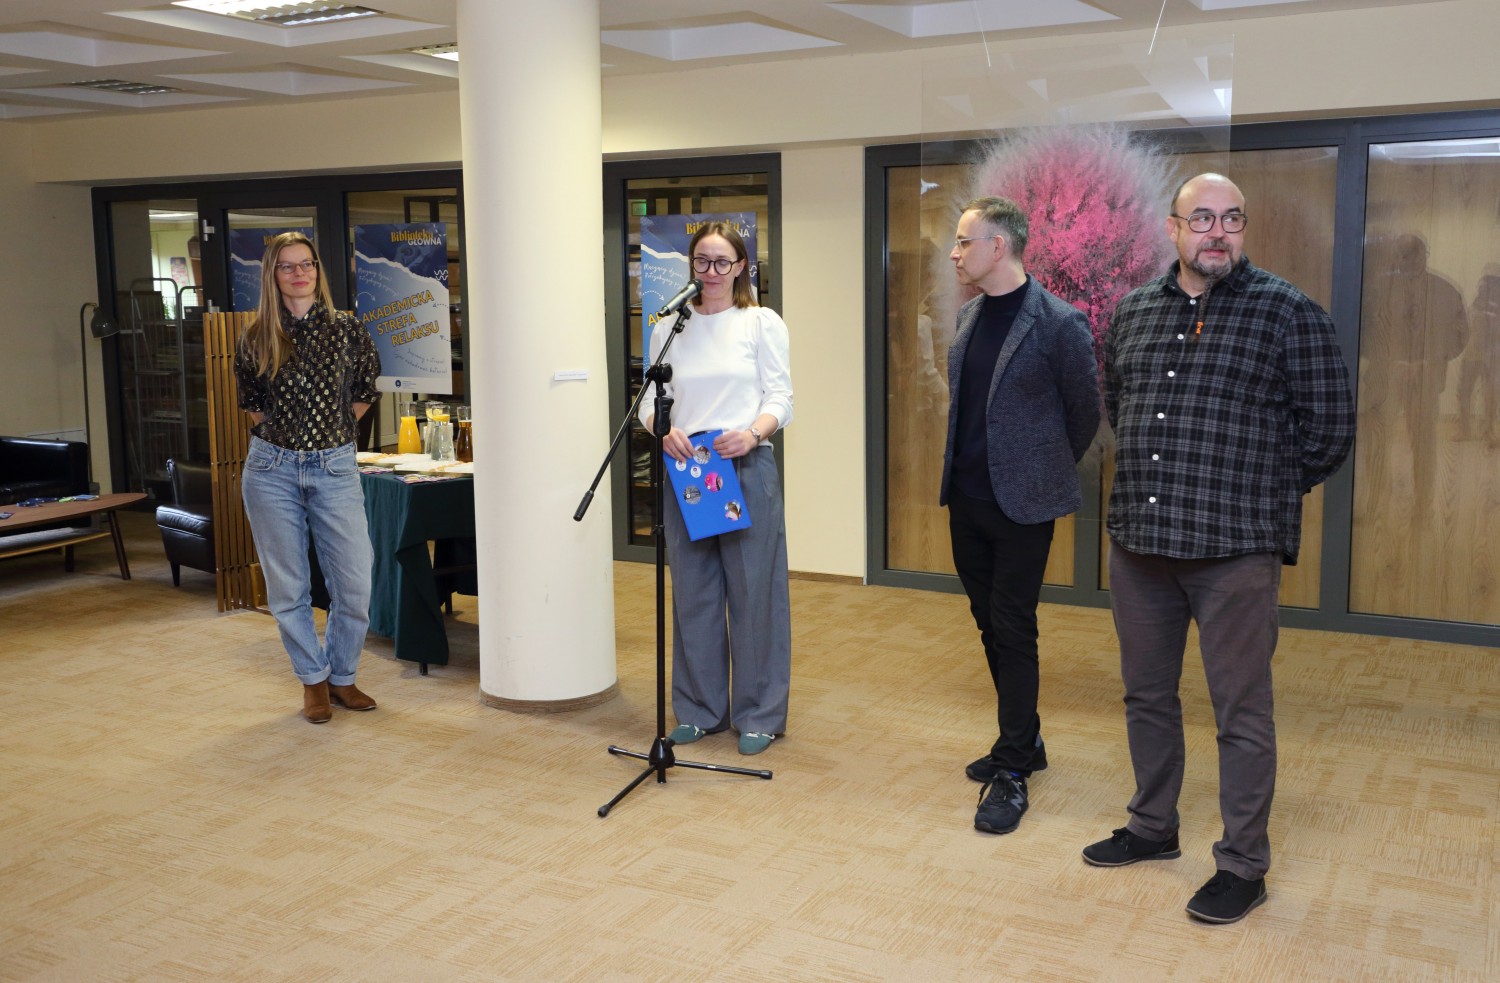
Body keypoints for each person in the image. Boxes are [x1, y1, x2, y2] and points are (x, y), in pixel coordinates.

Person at [1084, 173, 1355, 924]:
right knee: (1146, 695)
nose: (1217, 232)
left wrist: (1259, 491)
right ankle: (1152, 826)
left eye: (1231, 219)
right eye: (1201, 218)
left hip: (1235, 551)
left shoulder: (1287, 311)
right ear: (1173, 228)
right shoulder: (1133, 312)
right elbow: (1119, 402)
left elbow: (1330, 428)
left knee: (1241, 710)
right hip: (1141, 546)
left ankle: (1243, 864)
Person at [940, 196, 1101, 834]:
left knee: (1014, 627)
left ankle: (1012, 770)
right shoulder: (970, 315)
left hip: (1024, 506)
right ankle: (1025, 739)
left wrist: (1040, 469)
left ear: (998, 246)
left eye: (964, 241)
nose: (955, 253)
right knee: (988, 624)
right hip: (967, 499)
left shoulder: (1059, 322)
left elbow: (1084, 412)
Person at [638, 221, 793, 755]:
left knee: (755, 594)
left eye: (722, 262)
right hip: (688, 472)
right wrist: (662, 429)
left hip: (744, 465)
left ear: (741, 266)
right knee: (694, 593)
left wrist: (753, 434)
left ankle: (759, 714)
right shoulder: (668, 329)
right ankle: (700, 709)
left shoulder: (759, 323)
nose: (711, 272)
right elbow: (648, 402)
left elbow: (781, 398)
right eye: (702, 261)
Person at [235, 231, 382, 724]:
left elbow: (364, 392)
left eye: (307, 264)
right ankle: (313, 681)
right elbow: (254, 406)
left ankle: (343, 676)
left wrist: (329, 434)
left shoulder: (348, 329)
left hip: (334, 468)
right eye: (288, 266)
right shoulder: (256, 336)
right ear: (272, 275)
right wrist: (293, 442)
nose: (300, 273)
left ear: (318, 270)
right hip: (271, 471)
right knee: (289, 589)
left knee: (355, 583)